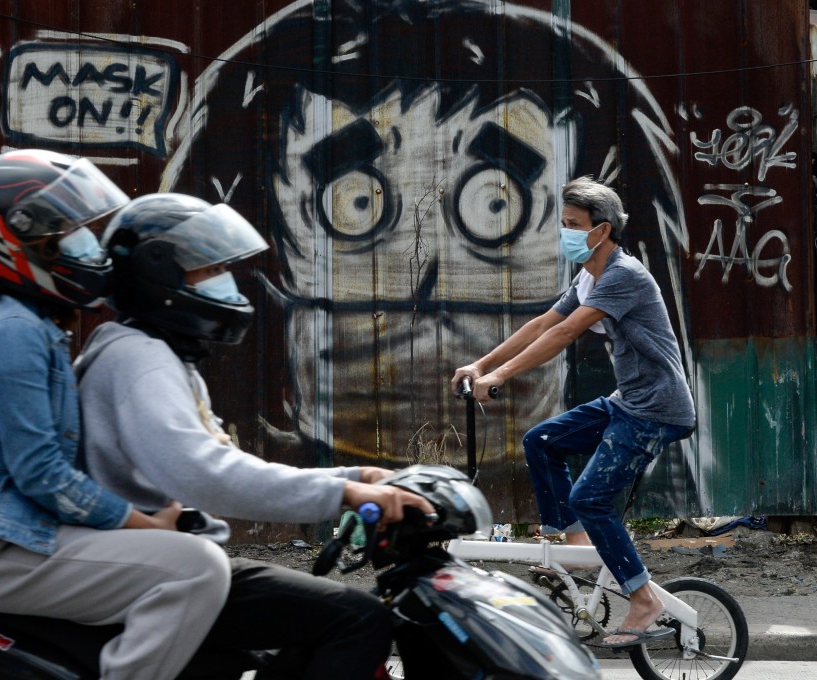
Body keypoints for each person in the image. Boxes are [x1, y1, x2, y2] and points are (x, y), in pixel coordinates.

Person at [0, 150, 231, 680]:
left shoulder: (26, 322)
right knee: (194, 570)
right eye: (66, 232)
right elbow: (43, 473)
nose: (83, 243)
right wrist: (147, 526)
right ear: (12, 243)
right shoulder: (11, 332)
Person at [75, 192, 437, 679]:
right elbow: (204, 473)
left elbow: (220, 464)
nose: (223, 280)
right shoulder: (140, 360)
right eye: (206, 269)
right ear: (157, 274)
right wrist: (343, 490)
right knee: (356, 618)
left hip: (164, 557)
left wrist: (354, 475)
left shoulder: (148, 353)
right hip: (156, 565)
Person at [450, 176, 695, 649]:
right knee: (542, 441)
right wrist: (482, 363)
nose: (565, 233)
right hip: (629, 401)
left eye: (573, 225)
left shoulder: (624, 275)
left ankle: (643, 598)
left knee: (592, 498)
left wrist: (501, 377)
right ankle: (577, 548)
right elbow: (545, 322)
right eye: (563, 224)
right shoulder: (590, 275)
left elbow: (565, 335)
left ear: (601, 231)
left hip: (656, 410)